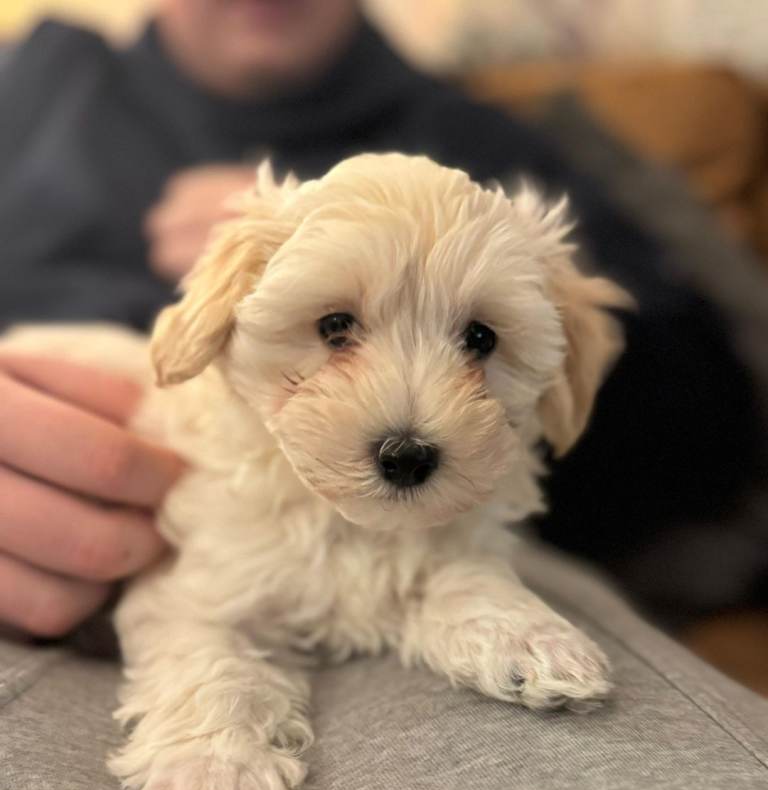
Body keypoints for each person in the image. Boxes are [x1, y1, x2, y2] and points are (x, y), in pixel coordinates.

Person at [0, 0, 761, 638]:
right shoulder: (38, 80)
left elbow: (708, 417)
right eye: (336, 326)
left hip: (417, 572)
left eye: (474, 338)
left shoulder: (483, 139)